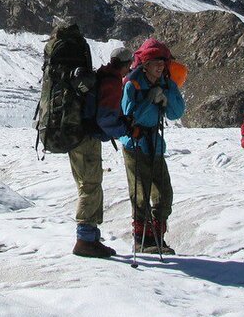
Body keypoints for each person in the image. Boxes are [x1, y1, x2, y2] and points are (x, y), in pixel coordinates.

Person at [121, 38, 185, 254]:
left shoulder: (166, 84)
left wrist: (167, 98)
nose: (160, 66)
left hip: (153, 144)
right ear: (145, 64)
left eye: (162, 62)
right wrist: (150, 100)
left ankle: (156, 237)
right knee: (140, 192)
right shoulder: (133, 84)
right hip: (135, 143)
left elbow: (176, 113)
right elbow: (128, 117)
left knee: (164, 193)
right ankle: (143, 239)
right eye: (156, 62)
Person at [68, 46, 130, 259]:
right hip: (87, 139)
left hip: (75, 136)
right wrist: (125, 129)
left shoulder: (101, 75)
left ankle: (91, 237)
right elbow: (105, 119)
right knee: (91, 185)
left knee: (86, 184)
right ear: (126, 65)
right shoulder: (112, 82)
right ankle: (85, 240)